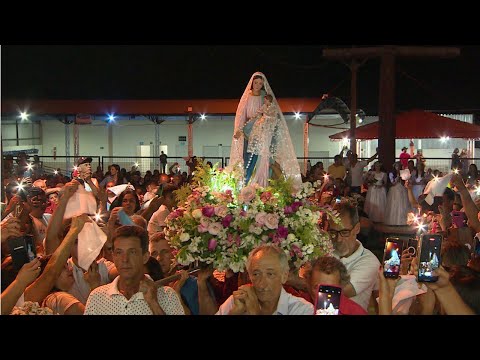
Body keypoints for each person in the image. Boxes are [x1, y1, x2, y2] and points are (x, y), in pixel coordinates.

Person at [84, 225, 184, 315]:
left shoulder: (167, 296)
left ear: (145, 257)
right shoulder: (97, 297)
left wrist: (153, 304)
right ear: (113, 257)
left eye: (132, 252)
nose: (125, 259)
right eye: (119, 253)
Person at [229, 71, 301, 187]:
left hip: (260, 130)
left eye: (260, 84)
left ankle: (259, 183)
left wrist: (265, 119)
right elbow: (241, 115)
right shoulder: (247, 97)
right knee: (247, 159)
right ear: (252, 83)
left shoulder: (265, 97)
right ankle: (244, 183)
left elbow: (271, 112)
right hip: (247, 130)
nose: (257, 86)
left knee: (259, 158)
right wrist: (239, 129)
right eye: (256, 83)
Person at [216, 244, 314, 315]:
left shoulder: (302, 310)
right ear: (249, 276)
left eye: (270, 274)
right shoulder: (236, 301)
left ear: (284, 276)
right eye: (256, 274)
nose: (261, 284)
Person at [328, 199, 380, 311]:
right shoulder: (325, 251)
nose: (338, 239)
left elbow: (344, 291)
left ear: (357, 228)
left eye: (344, 232)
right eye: (333, 233)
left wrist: (297, 282)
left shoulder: (369, 261)